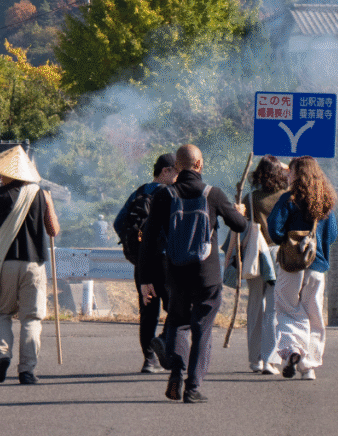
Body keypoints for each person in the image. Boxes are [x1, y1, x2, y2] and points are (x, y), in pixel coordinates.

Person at [139, 144, 247, 404]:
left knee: (177, 321)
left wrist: (145, 279)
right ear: (199, 165)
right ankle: (193, 387)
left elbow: (149, 238)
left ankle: (176, 372)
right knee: (202, 328)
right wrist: (239, 211)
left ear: (177, 166)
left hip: (175, 271)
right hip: (206, 274)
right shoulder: (213, 194)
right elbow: (240, 225)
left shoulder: (164, 196)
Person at [0, 145, 60, 385]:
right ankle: (27, 370)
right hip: (34, 264)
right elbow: (53, 230)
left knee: (1, 313)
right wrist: (48, 206)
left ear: (4, 172)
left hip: (5, 263)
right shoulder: (42, 195)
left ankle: (2, 354)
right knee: (31, 318)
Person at [267, 155, 338, 381]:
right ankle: (308, 366)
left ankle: (293, 351)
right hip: (317, 266)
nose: (287, 174)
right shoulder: (325, 202)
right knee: (314, 314)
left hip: (291, 266)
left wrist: (289, 240)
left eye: (291, 171)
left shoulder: (289, 199)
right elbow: (333, 235)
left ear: (298, 174)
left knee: (288, 309)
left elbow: (275, 230)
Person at [118, 152, 177, 373]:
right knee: (176, 308)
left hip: (142, 264)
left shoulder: (139, 192)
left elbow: (119, 222)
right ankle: (165, 343)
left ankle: (149, 361)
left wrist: (135, 249)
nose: (178, 177)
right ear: (166, 171)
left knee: (148, 311)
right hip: (165, 261)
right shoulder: (170, 194)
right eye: (176, 172)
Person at [244, 154, 288, 375]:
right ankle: (270, 359)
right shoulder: (287, 197)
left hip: (255, 254)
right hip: (278, 253)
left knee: (255, 306)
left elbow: (240, 226)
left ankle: (255, 359)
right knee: (274, 308)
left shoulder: (250, 199)